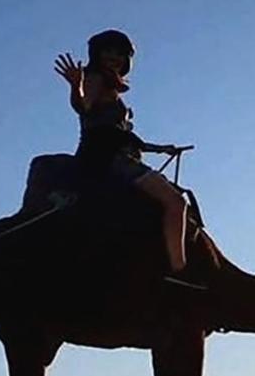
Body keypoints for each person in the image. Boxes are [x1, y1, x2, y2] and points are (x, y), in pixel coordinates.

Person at [53, 30, 202, 288]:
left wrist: (161, 148)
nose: (114, 57)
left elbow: (120, 134)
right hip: (108, 160)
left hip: (116, 155)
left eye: (119, 53)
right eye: (108, 51)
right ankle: (179, 271)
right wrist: (75, 85)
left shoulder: (111, 86)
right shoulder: (94, 79)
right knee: (176, 203)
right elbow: (83, 107)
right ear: (97, 54)